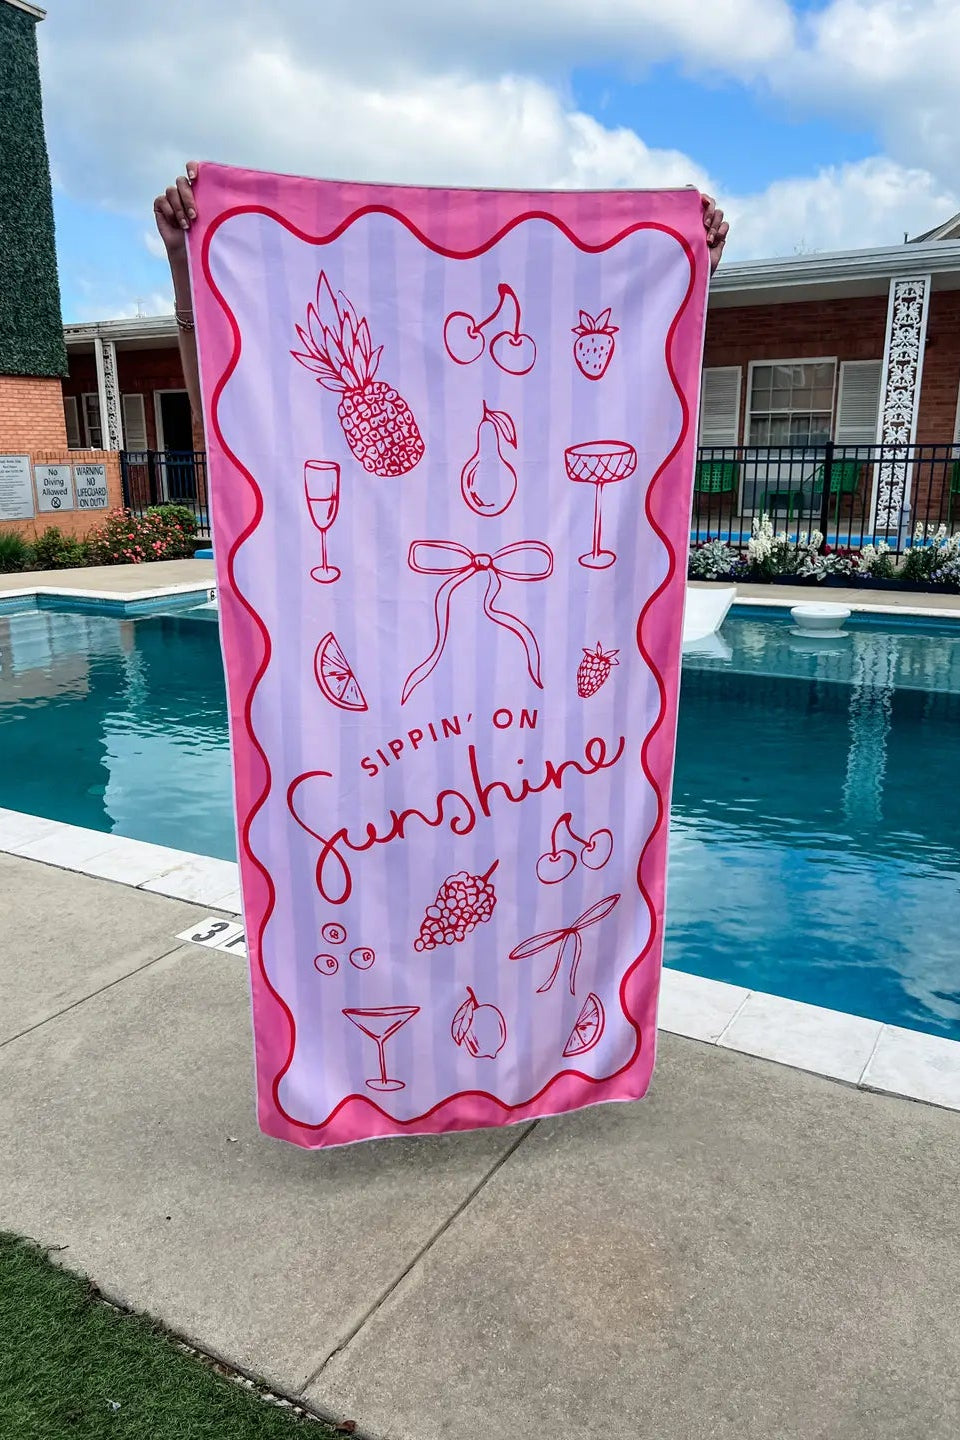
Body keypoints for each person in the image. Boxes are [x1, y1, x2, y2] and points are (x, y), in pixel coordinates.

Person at [154, 162, 728, 419]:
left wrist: (691, 275)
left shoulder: (523, 416)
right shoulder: (335, 422)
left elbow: (641, 398)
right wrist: (187, 264)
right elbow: (219, 418)